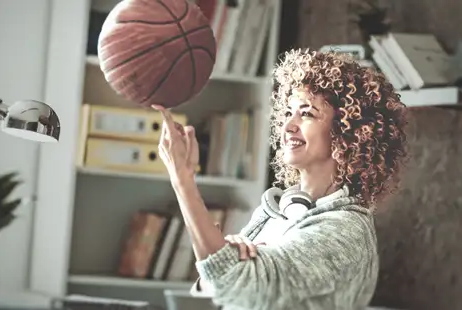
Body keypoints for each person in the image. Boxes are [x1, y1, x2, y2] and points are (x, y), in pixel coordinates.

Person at [152, 49, 409, 310]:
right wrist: (227, 259)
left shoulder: (345, 232)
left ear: (346, 133)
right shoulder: (274, 212)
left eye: (307, 114)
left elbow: (233, 286)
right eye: (288, 112)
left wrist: (182, 179)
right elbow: (212, 288)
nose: (288, 126)